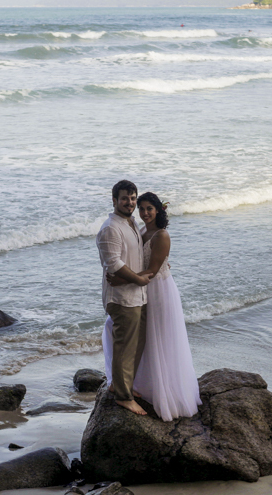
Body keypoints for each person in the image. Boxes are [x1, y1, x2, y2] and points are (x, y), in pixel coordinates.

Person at [104, 192, 201, 421]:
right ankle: (128, 383)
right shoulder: (140, 229)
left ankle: (163, 391)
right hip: (141, 288)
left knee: (159, 339)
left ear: (158, 210)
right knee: (124, 333)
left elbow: (153, 270)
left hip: (159, 290)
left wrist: (120, 280)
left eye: (149, 209)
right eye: (142, 208)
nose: (145, 213)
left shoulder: (162, 235)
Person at [96, 180, 150, 415]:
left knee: (135, 343)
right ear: (114, 200)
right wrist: (137, 280)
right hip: (121, 298)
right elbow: (114, 263)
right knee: (125, 346)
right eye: (125, 198)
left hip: (137, 295)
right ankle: (123, 396)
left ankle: (121, 384)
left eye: (133, 198)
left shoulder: (131, 222)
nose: (130, 202)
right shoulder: (111, 228)